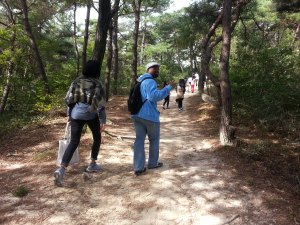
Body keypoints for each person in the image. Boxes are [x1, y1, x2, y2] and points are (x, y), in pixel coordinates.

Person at [54, 60, 106, 187]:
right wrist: (103, 121)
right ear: (97, 70)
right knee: (97, 138)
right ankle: (92, 164)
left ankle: (61, 169)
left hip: (76, 114)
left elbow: (69, 100)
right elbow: (101, 105)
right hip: (91, 114)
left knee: (74, 141)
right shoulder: (98, 84)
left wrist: (69, 115)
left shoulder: (76, 81)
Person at [131, 62, 175, 176]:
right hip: (149, 116)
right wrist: (168, 88)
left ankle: (138, 167)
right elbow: (154, 96)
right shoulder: (150, 81)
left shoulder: (139, 81)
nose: (157, 70)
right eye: (155, 68)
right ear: (148, 69)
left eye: (158, 69)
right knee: (154, 140)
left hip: (137, 115)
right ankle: (152, 163)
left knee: (139, 141)